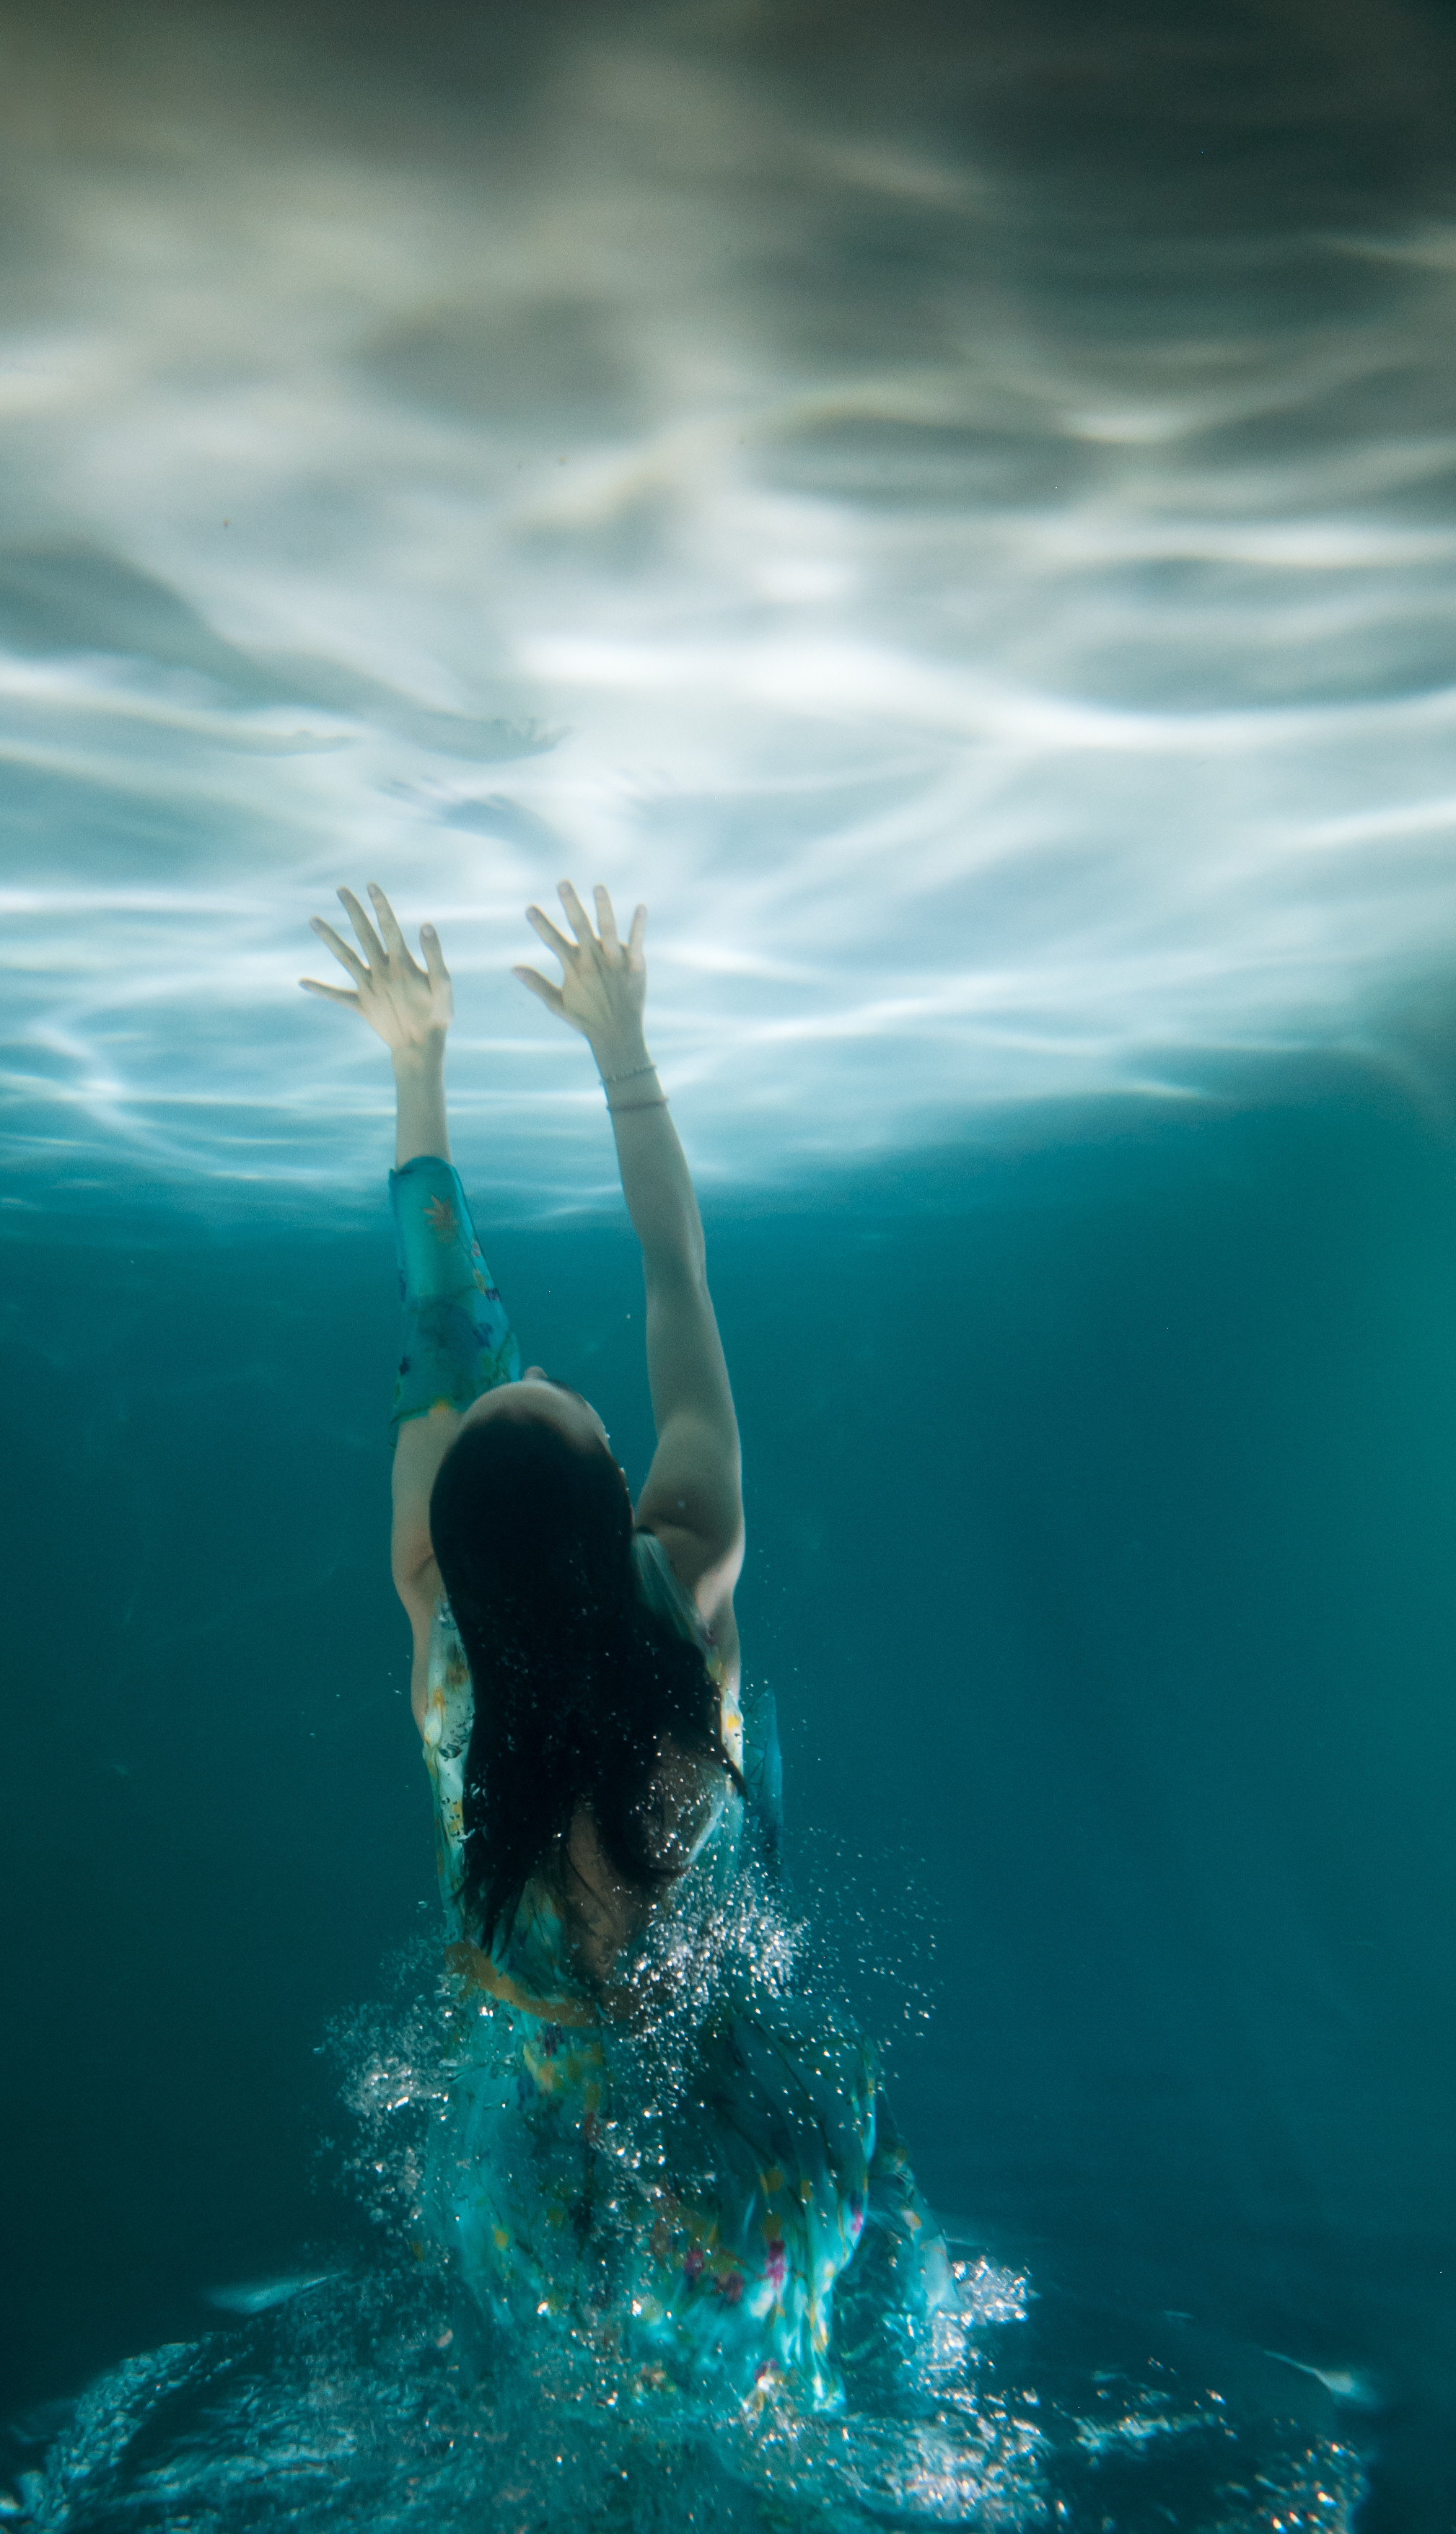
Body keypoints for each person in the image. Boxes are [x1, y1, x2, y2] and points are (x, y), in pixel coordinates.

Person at [302, 879, 952, 2415]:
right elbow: (677, 1280)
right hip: (762, 2173)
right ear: (621, 1503)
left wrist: (415, 1070)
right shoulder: (693, 1584)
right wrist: (620, 1047)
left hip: (543, 2202)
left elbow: (444, 1328)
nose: (566, 1380)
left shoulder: (438, 1646)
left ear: (448, 1558)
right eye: (580, 1412)